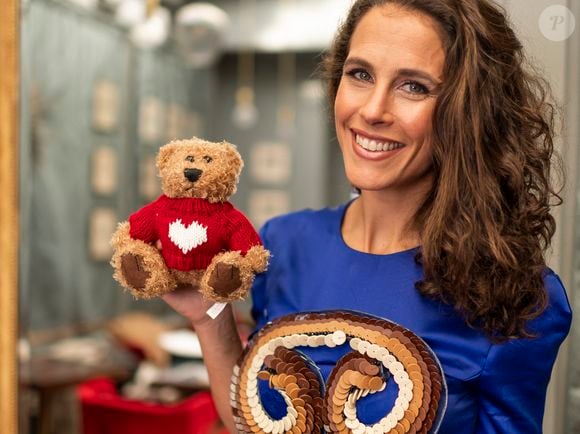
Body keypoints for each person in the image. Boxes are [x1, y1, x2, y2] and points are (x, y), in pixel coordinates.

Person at [163, 0, 573, 432]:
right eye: (360, 75)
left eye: (413, 86)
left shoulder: (515, 290)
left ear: (468, 111)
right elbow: (253, 419)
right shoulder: (284, 243)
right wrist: (209, 316)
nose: (374, 110)